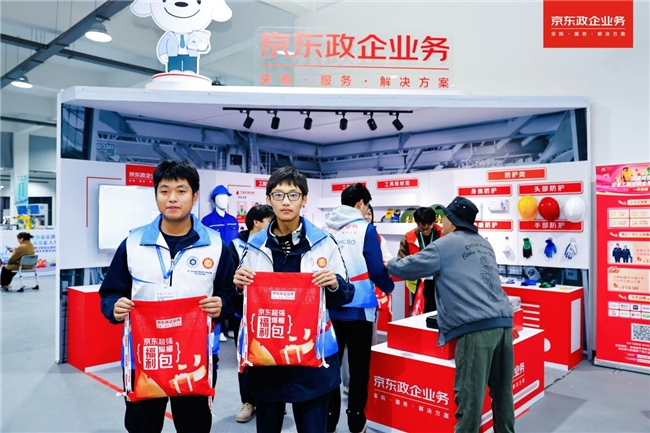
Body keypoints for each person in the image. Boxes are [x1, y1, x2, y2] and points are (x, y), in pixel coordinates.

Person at [98, 160, 236, 433]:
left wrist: (222, 305)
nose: (172, 198)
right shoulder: (133, 243)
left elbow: (230, 295)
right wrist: (114, 306)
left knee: (194, 426)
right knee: (142, 426)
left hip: (196, 357)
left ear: (195, 196)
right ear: (156, 195)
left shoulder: (216, 245)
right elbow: (111, 291)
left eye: (181, 191)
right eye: (164, 191)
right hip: (144, 356)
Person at [233, 166, 354, 433]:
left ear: (304, 199)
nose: (285, 201)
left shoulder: (324, 242)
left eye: (293, 195)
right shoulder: (254, 245)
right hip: (267, 355)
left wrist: (334, 284)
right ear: (268, 199)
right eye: (278, 195)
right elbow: (240, 302)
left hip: (312, 356)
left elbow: (345, 295)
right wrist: (239, 287)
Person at [387, 196, 515, 433]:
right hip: (504, 324)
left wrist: (388, 263)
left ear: (452, 220)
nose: (441, 221)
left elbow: (408, 267)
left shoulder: (444, 245)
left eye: (444, 217)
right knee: (503, 394)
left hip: (476, 329)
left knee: (469, 399)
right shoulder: (483, 243)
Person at [324, 183, 394, 433]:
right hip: (360, 308)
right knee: (358, 369)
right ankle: (356, 422)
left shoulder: (325, 228)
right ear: (361, 204)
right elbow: (375, 267)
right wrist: (388, 286)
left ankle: (329, 421)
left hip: (329, 308)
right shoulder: (366, 229)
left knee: (330, 367)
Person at [227, 204, 274, 423]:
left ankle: (272, 400)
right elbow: (228, 284)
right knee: (245, 360)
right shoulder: (235, 247)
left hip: (272, 314)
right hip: (244, 315)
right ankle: (248, 402)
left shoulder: (275, 243)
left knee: (271, 358)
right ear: (256, 222)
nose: (274, 225)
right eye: (269, 221)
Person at [397, 206, 442, 313]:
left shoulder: (443, 234)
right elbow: (402, 259)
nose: (425, 231)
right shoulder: (408, 238)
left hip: (439, 282)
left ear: (434, 222)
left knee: (438, 312)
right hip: (417, 282)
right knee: (419, 311)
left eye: (429, 227)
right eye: (421, 228)